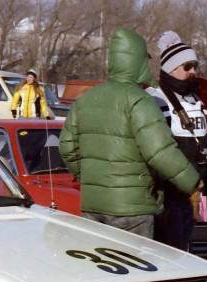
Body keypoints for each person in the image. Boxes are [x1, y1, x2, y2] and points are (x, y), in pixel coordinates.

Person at [59, 28, 199, 239]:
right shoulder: (140, 101)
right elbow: (160, 152)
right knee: (135, 269)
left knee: (100, 265)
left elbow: (67, 147)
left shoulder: (85, 100)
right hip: (133, 210)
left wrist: (91, 179)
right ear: (138, 61)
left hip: (93, 205)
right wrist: (194, 184)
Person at [147, 31, 207, 251]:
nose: (193, 72)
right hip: (168, 196)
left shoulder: (196, 101)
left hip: (192, 195)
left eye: (194, 66)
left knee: (186, 255)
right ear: (171, 69)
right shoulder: (155, 99)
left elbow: (203, 147)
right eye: (187, 66)